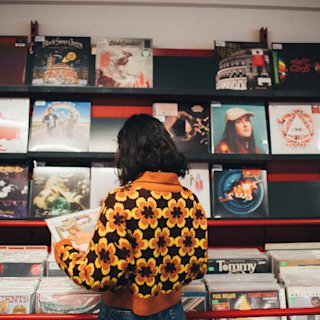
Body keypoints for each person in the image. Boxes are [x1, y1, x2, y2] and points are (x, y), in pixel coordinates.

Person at [54, 114, 208, 320]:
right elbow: (197, 267)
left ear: (128, 153)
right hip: (173, 310)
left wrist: (62, 250)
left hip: (125, 312)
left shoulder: (121, 200)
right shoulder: (190, 200)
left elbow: (97, 276)